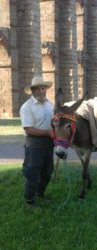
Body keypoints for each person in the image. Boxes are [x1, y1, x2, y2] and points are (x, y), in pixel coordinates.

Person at [20, 76, 54, 209]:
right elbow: (28, 130)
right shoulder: (26, 107)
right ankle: (29, 201)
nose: (41, 91)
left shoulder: (49, 103)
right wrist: (47, 133)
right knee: (32, 172)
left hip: (49, 143)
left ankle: (40, 194)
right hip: (34, 145)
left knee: (47, 171)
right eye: (38, 89)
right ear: (33, 90)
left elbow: (54, 120)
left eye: (43, 88)